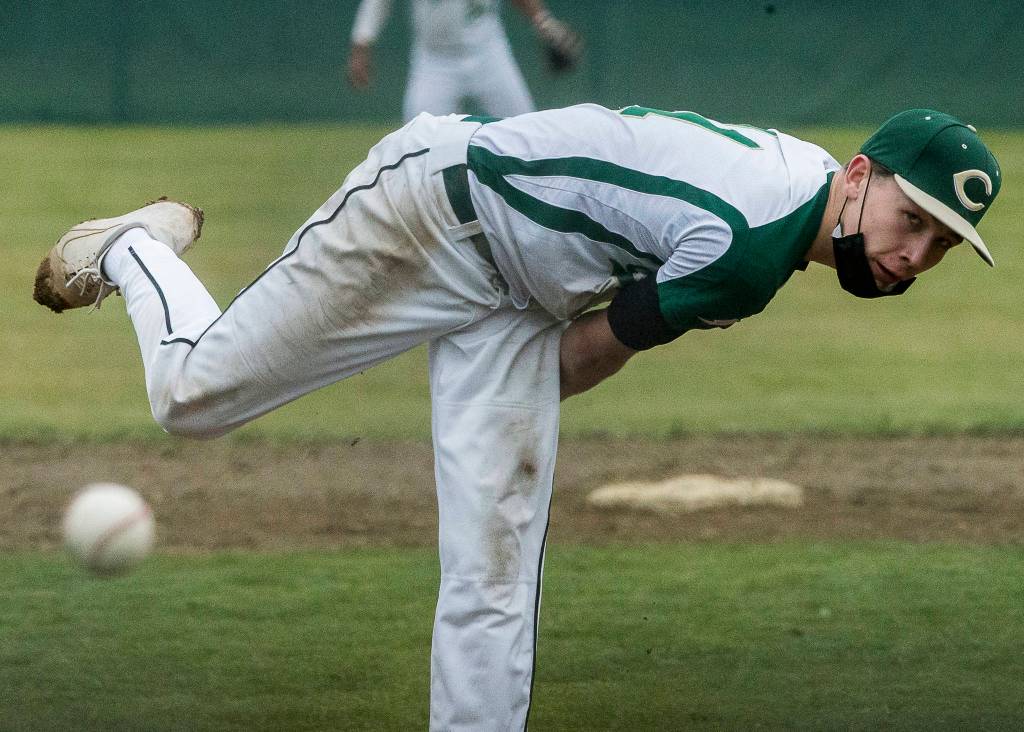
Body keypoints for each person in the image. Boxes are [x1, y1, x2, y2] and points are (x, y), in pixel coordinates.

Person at [33, 105, 1001, 730]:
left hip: (519, 289)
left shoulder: (796, 181)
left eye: (941, 242)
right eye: (909, 218)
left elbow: (562, 345)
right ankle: (135, 249)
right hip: (426, 214)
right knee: (194, 398)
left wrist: (493, 434)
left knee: (495, 555)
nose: (915, 252)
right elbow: (582, 358)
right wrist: (487, 410)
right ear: (861, 174)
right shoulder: (750, 249)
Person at [346, 0, 582, 121]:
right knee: (417, 146)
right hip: (434, 62)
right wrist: (361, 44)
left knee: (525, 134)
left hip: (487, 54)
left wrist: (543, 22)